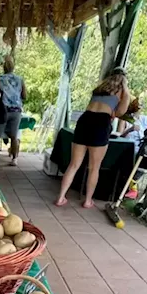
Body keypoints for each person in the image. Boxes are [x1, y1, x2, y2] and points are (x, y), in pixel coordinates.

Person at [55, 70, 131, 209]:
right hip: (101, 123)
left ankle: (61, 197)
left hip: (85, 119)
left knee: (73, 164)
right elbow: (121, 112)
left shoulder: (99, 89)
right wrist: (125, 90)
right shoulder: (122, 91)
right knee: (94, 167)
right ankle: (88, 200)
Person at [0, 55, 26, 166]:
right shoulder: (20, 79)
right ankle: (14, 159)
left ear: (4, 67)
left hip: (4, 110)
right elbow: (24, 95)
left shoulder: (0, 79)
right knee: (14, 136)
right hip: (16, 111)